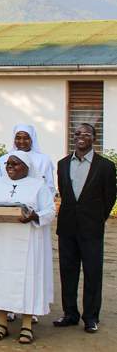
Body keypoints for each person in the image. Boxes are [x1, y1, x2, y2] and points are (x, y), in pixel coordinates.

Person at [0, 151, 54, 344]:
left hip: (26, 243)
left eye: (15, 163)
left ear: (27, 167)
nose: (10, 166)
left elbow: (50, 211)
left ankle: (26, 326)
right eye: (8, 164)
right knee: (0, 279)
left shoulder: (38, 186)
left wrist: (34, 216)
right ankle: (1, 322)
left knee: (27, 281)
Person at [54, 123, 117, 334]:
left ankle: (91, 317)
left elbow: (110, 197)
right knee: (67, 273)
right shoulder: (62, 164)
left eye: (86, 134)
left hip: (92, 229)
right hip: (67, 228)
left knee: (92, 274)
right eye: (78, 133)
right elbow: (64, 192)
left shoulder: (106, 166)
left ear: (94, 138)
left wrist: (97, 218)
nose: (81, 137)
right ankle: (70, 314)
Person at [0, 124, 56, 194]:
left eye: (26, 138)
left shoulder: (44, 160)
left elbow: (49, 186)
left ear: (32, 139)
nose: (22, 141)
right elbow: (0, 184)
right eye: (18, 138)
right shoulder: (3, 159)